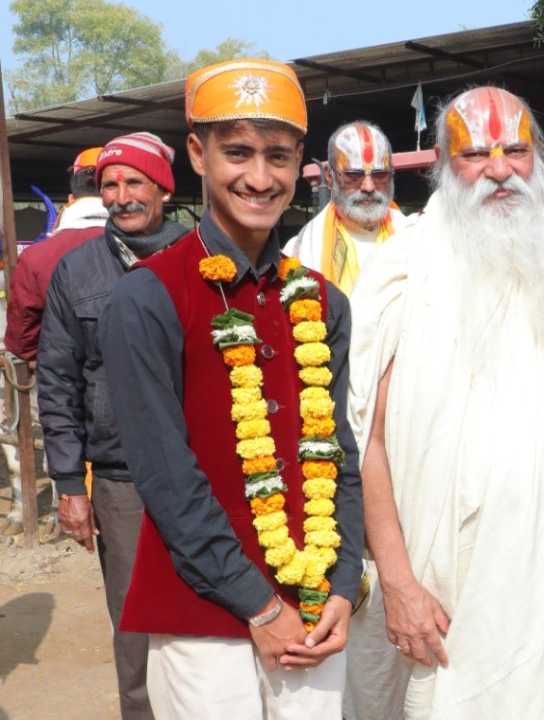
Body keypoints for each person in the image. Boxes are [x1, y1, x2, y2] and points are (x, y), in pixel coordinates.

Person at [347, 85, 544, 719]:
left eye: (516, 151)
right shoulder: (405, 263)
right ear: (443, 162)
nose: (499, 170)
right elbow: (364, 438)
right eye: (475, 155)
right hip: (437, 577)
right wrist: (399, 583)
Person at [99, 59, 363, 719]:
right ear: (198, 153)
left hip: (311, 601)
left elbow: (338, 451)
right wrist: (259, 605)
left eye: (278, 156)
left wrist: (343, 584)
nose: (260, 178)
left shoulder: (323, 301)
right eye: (238, 153)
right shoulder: (148, 297)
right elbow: (165, 475)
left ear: (300, 162)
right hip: (201, 610)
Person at [37, 132, 186, 720]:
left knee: (215, 608)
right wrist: (69, 483)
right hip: (123, 482)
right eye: (110, 185)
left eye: (135, 182)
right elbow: (57, 379)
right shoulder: (77, 271)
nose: (122, 196)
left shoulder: (203, 258)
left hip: (203, 469)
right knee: (135, 621)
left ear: (164, 190)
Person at [2, 146, 109, 537]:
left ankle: (63, 508)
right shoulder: (151, 247)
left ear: (70, 198)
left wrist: (43, 358)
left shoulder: (38, 257)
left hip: (64, 386)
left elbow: (20, 340)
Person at [283, 121, 410, 294]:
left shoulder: (414, 237)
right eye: (353, 175)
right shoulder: (300, 252)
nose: (368, 187)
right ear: (329, 177)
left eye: (380, 175)